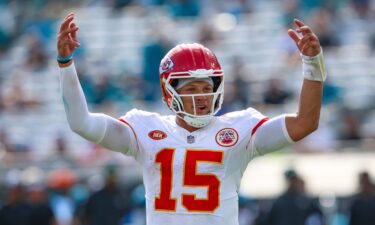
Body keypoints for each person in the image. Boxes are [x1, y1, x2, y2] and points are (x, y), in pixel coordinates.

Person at [56, 12, 326, 225]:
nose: (201, 96)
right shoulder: (145, 128)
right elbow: (82, 123)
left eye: (207, 88)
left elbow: (305, 123)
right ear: (168, 91)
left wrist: (312, 64)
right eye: (192, 89)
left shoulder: (240, 128)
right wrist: (66, 64)